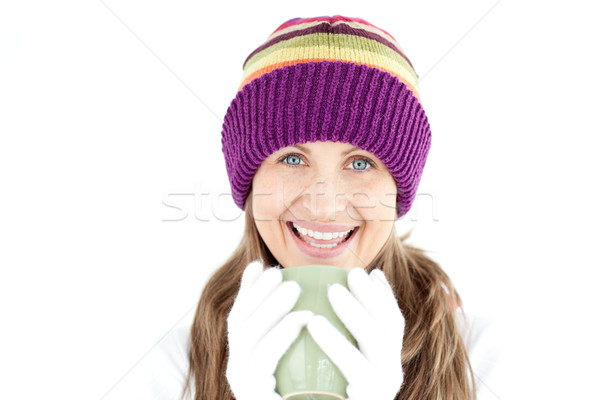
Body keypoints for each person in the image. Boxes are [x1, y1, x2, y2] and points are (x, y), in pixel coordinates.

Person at [143, 15, 502, 400]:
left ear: (398, 189)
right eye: (293, 159)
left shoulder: (480, 358)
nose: (325, 206)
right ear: (250, 181)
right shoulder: (175, 367)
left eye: (361, 163)